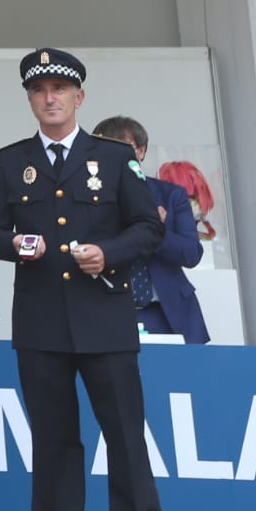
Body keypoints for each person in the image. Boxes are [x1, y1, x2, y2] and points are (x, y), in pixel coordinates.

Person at [0, 49, 168, 511]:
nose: (50, 97)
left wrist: (108, 253)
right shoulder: (11, 160)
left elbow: (147, 228)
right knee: (54, 436)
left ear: (79, 97)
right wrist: (12, 243)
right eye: (39, 90)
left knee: (125, 436)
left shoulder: (113, 157)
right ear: (30, 100)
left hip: (104, 316)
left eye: (60, 89)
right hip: (41, 321)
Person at [93, 116, 208, 345]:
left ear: (141, 151)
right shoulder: (90, 198)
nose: (114, 158)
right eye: (106, 150)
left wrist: (156, 230)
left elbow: (191, 254)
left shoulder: (171, 195)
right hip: (109, 310)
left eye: (123, 149)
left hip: (169, 313)